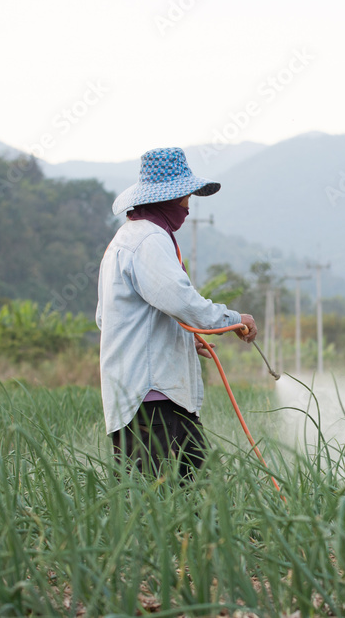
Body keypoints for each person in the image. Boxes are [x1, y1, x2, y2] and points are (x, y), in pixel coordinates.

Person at [95, 147, 258, 481]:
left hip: (147, 396)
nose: (188, 204)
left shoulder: (125, 240)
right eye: (184, 196)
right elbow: (180, 301)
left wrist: (183, 339)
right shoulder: (149, 240)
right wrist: (233, 320)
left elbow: (108, 319)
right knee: (162, 499)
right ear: (165, 198)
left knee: (191, 492)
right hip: (153, 398)